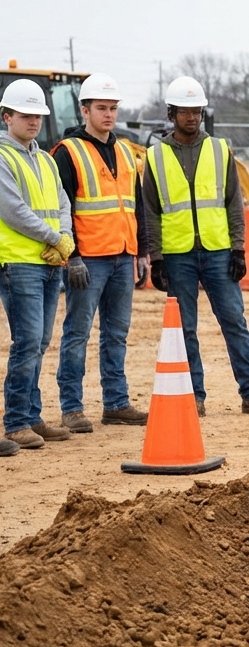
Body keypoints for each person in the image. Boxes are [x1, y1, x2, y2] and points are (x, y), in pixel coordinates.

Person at [142, 76, 249, 417]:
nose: (191, 117)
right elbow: (150, 211)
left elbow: (235, 203)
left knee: (234, 320)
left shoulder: (220, 150)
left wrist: (239, 248)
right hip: (177, 255)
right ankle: (194, 397)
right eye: (184, 111)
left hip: (219, 252)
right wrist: (156, 258)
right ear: (171, 114)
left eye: (196, 111)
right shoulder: (154, 157)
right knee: (184, 328)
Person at [51, 74, 149, 432]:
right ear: (85, 110)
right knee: (77, 333)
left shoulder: (124, 150)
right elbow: (61, 207)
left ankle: (116, 404)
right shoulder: (67, 151)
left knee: (116, 333)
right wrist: (71, 255)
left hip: (124, 255)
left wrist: (142, 252)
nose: (108, 115)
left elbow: (136, 206)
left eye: (113, 108)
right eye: (101, 108)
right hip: (88, 260)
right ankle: (72, 408)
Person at [0, 79, 77, 454]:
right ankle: (15, 422)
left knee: (41, 342)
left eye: (38, 116)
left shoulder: (45, 159)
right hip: (19, 262)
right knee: (27, 341)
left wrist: (64, 238)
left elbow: (63, 203)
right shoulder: (2, 157)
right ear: (7, 117)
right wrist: (55, 238)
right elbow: (14, 212)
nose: (33, 121)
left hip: (49, 262)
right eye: (26, 115)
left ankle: (31, 416)